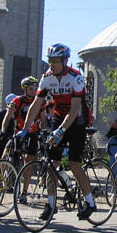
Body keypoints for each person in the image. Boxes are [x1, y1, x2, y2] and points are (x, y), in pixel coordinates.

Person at [22, 43, 95, 220]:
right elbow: (36, 104)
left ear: (64, 61)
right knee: (51, 163)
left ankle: (90, 202)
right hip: (59, 117)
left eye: (55, 61)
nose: (52, 65)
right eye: (50, 61)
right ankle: (51, 204)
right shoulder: (47, 78)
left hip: (77, 119)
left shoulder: (76, 77)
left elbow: (75, 108)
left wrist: (61, 131)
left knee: (74, 164)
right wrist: (25, 129)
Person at [2, 76, 43, 203]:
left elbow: (43, 119)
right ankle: (6, 181)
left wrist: (44, 132)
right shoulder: (17, 100)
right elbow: (8, 116)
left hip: (33, 134)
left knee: (28, 162)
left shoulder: (39, 101)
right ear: (24, 89)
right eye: (31, 88)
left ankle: (24, 192)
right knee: (7, 156)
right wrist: (3, 131)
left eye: (35, 88)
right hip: (19, 133)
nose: (34, 90)